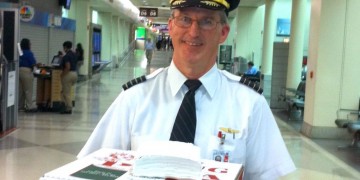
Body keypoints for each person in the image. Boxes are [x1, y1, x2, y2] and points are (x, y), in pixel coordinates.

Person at [78, 0, 296, 179]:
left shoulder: (250, 105)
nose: (193, 32)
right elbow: (94, 170)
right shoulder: (134, 98)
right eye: (184, 19)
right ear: (171, 26)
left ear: (223, 32)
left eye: (207, 21)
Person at [18, 38, 38, 112]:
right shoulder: (29, 53)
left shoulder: (20, 52)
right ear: (28, 44)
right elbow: (33, 63)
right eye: (30, 43)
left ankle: (20, 107)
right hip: (27, 71)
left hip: (19, 71)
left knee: (20, 90)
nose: (31, 44)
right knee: (28, 90)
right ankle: (30, 106)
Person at [60, 41, 77, 114]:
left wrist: (62, 74)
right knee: (67, 92)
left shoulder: (66, 56)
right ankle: (67, 106)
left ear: (65, 47)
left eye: (64, 47)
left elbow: (68, 67)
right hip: (75, 74)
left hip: (68, 74)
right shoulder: (74, 54)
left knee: (66, 93)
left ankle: (68, 108)